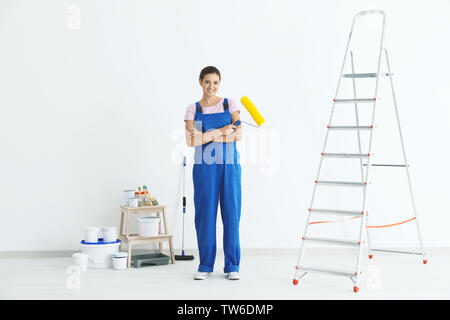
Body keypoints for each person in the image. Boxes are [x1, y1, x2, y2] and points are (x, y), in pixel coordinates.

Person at [184, 66, 243, 280]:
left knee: (231, 214)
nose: (211, 86)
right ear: (200, 82)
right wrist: (220, 132)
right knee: (205, 217)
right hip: (204, 169)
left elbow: (238, 135)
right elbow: (191, 140)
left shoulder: (229, 104)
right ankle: (205, 265)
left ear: (220, 83)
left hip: (229, 167)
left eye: (215, 82)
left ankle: (232, 266)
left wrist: (207, 135)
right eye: (207, 82)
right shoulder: (193, 109)